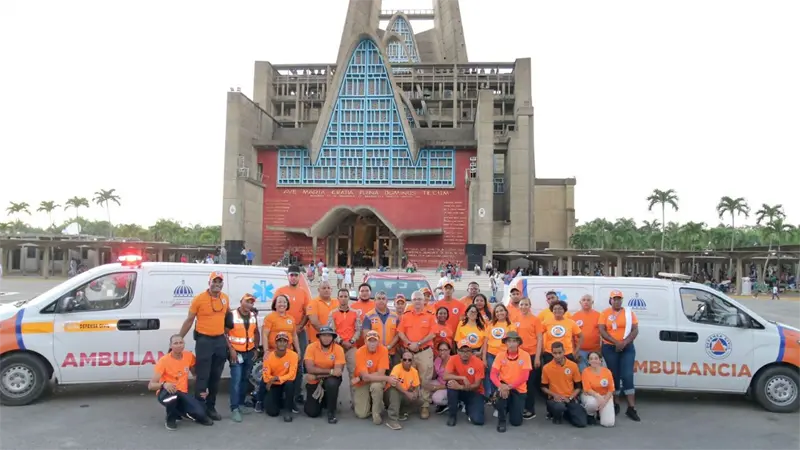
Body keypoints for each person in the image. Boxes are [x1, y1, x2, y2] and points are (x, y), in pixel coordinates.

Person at [178, 271, 231, 421]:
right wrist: (179, 338)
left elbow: (228, 317)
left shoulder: (225, 299)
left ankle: (210, 407)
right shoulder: (199, 299)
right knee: (203, 376)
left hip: (219, 341)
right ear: (209, 282)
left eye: (220, 282)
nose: (217, 284)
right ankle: (199, 409)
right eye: (214, 281)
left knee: (215, 377)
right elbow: (189, 320)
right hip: (204, 341)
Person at [149, 334, 212, 430]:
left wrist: (204, 387)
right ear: (170, 346)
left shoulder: (189, 356)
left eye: (181, 342)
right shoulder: (164, 361)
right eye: (175, 343)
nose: (179, 345)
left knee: (201, 414)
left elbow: (196, 375)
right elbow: (151, 385)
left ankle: (181, 412)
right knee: (172, 394)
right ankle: (170, 419)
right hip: (167, 393)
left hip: (183, 394)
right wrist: (164, 384)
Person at [599, 289, 641, 421]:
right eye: (614, 298)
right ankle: (615, 403)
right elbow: (602, 330)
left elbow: (635, 330)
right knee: (614, 375)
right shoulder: (605, 313)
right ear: (610, 300)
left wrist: (624, 343)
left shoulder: (629, 313)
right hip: (609, 347)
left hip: (627, 347)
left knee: (627, 375)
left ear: (622, 300)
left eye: (619, 299)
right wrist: (616, 342)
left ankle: (631, 408)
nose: (616, 301)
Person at [273, 265, 311, 405]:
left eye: (296, 275)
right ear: (288, 276)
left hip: (299, 331)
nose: (294, 277)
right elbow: (276, 309)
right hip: (283, 331)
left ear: (299, 277)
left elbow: (308, 312)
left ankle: (297, 393)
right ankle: (282, 391)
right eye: (291, 275)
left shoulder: (303, 293)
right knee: (283, 360)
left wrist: (301, 325)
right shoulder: (280, 291)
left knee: (299, 361)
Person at [396, 290, 436, 419]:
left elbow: (433, 333)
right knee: (409, 379)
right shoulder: (406, 315)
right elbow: (400, 332)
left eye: (420, 299)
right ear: (411, 301)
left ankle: (424, 406)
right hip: (409, 352)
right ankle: (409, 405)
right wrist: (409, 344)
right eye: (415, 299)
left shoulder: (430, 315)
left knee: (425, 379)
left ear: (424, 301)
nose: (418, 301)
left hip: (424, 351)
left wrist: (418, 343)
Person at [227, 293, 260, 422]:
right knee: (236, 381)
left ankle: (241, 404)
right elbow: (224, 333)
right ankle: (234, 409)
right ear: (241, 301)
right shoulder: (232, 315)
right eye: (247, 301)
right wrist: (231, 350)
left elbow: (256, 332)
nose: (249, 304)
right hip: (236, 353)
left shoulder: (253, 316)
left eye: (251, 302)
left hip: (249, 353)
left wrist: (256, 348)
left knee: (245, 380)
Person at [490, 331, 531, 433]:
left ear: (518, 343)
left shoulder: (525, 355)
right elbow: (493, 374)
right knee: (501, 396)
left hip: (518, 389)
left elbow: (525, 376)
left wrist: (509, 387)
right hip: (504, 387)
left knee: (516, 422)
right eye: (509, 341)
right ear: (506, 343)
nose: (511, 344)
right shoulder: (500, 355)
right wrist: (500, 386)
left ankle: (508, 408)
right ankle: (501, 420)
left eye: (514, 341)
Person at [303, 326, 345, 423]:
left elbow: (338, 371)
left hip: (328, 379)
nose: (326, 338)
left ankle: (331, 412)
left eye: (329, 336)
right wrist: (330, 371)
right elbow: (309, 368)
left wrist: (317, 375)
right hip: (316, 380)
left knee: (332, 383)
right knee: (312, 412)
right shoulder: (311, 347)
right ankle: (322, 400)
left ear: (333, 337)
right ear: (319, 337)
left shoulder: (338, 349)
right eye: (324, 335)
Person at [541, 341, 587, 427]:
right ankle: (555, 414)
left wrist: (570, 397)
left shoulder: (573, 365)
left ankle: (567, 413)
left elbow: (578, 386)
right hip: (555, 399)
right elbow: (543, 387)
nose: (557, 355)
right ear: (552, 353)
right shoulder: (546, 367)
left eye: (559, 353)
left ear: (564, 352)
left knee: (582, 423)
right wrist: (554, 395)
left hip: (569, 398)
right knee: (559, 407)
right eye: (555, 353)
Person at [328, 287, 362, 403]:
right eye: (341, 296)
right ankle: (332, 402)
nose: (343, 299)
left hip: (352, 347)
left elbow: (358, 329)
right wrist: (341, 341)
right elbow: (331, 331)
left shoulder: (355, 313)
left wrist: (352, 341)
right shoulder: (332, 313)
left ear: (349, 298)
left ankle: (356, 402)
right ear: (337, 298)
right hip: (337, 347)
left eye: (345, 296)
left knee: (354, 374)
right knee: (335, 374)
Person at [352, 330, 392, 424]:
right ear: (365, 342)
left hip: (372, 380)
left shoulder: (383, 350)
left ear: (378, 342)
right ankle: (370, 403)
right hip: (362, 382)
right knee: (361, 414)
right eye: (370, 341)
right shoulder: (359, 352)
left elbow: (381, 373)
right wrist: (386, 378)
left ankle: (376, 413)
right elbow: (366, 378)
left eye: (375, 341)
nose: (372, 344)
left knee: (376, 386)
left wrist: (361, 377)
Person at [443, 340, 486, 426]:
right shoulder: (453, 359)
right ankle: (452, 415)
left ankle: (469, 407)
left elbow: (477, 385)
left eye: (467, 351)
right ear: (457, 351)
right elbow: (445, 376)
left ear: (471, 352)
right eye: (462, 351)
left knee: (478, 421)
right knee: (451, 384)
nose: (465, 353)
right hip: (458, 390)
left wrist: (460, 387)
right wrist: (462, 377)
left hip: (474, 392)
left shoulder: (479, 363)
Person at [514, 297, 543, 419]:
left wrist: (537, 357)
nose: (524, 306)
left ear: (530, 305)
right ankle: (519, 406)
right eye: (522, 304)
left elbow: (540, 339)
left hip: (531, 355)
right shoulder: (515, 319)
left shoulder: (535, 320)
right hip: (518, 355)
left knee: (529, 384)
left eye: (526, 304)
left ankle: (530, 409)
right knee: (519, 382)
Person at [260, 332, 299, 422]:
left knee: (290, 384)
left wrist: (277, 378)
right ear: (276, 343)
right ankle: (270, 400)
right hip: (273, 384)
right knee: (273, 412)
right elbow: (266, 377)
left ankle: (288, 410)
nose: (282, 343)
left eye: (284, 341)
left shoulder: (293, 355)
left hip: (283, 382)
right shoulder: (268, 356)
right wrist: (274, 380)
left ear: (288, 343)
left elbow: (292, 375)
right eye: (279, 341)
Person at [485, 304, 516, 401]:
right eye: (497, 311)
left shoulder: (511, 325)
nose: (499, 313)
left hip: (505, 356)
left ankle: (504, 397)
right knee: (493, 377)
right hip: (491, 355)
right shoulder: (491, 325)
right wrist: (484, 358)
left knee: (504, 377)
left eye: (501, 310)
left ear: (506, 312)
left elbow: (512, 342)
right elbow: (485, 342)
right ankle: (496, 398)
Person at [362, 291, 401, 366]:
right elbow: (366, 335)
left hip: (391, 353)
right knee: (377, 375)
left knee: (391, 375)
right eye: (379, 298)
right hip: (374, 353)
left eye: (383, 298)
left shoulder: (395, 316)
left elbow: (398, 335)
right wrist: (379, 348)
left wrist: (388, 347)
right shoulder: (368, 316)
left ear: (387, 301)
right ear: (375, 301)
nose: (381, 300)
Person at [385, 350, 421, 430]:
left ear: (412, 361)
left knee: (419, 400)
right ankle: (392, 420)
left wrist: (415, 393)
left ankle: (401, 412)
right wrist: (407, 393)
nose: (407, 361)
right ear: (401, 360)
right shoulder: (397, 368)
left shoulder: (414, 371)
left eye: (409, 360)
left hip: (403, 394)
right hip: (389, 395)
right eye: (404, 359)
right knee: (395, 392)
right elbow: (394, 382)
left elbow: (416, 386)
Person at [542, 300, 582, 365]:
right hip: (550, 354)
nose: (557, 310)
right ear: (552, 310)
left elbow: (581, 336)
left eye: (560, 308)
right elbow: (538, 335)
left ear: (564, 310)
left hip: (567, 354)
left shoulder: (571, 322)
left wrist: (576, 352)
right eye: (555, 309)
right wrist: (542, 349)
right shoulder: (546, 322)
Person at [581, 351, 615, 427]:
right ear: (588, 361)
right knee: (591, 403)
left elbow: (611, 389)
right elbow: (587, 389)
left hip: (605, 396)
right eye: (591, 359)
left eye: (596, 358)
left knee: (608, 423)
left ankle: (600, 412)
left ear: (600, 360)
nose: (593, 360)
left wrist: (604, 401)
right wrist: (598, 397)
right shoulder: (585, 372)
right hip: (591, 396)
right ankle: (590, 414)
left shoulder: (607, 372)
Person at [572, 294, 601, 372]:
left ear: (592, 302)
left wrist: (600, 351)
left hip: (595, 351)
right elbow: (571, 336)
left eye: (588, 300)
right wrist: (575, 351)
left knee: (596, 373)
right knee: (583, 373)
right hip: (580, 351)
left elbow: (603, 333)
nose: (586, 302)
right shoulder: (575, 316)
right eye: (584, 300)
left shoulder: (599, 315)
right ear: (580, 302)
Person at [428, 341, 452, 414]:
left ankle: (453, 403)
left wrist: (436, 387)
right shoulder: (438, 359)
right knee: (424, 386)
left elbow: (452, 384)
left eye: (445, 350)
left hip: (449, 386)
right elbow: (434, 376)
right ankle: (436, 398)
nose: (442, 352)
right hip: (439, 381)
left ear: (449, 350)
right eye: (440, 350)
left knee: (436, 398)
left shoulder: (453, 361)